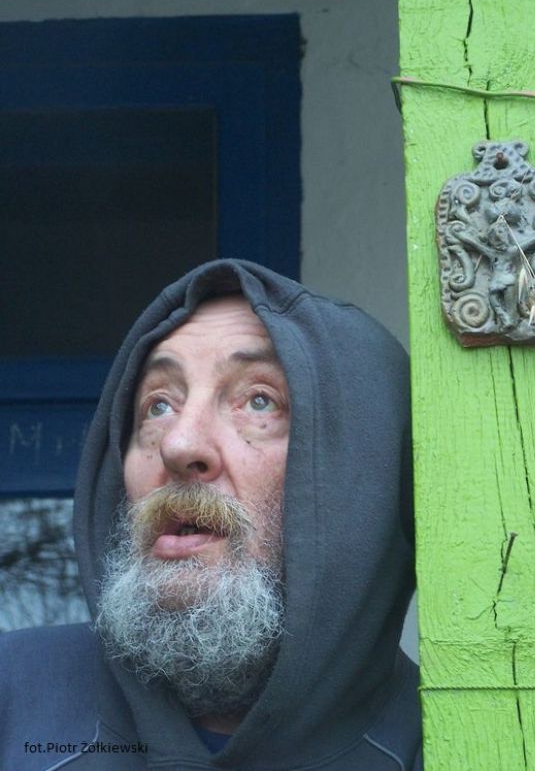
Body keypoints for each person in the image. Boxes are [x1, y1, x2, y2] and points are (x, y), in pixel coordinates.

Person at [0, 259, 421, 770]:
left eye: (259, 401)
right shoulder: (13, 697)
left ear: (365, 479)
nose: (179, 444)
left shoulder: (456, 741)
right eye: (158, 405)